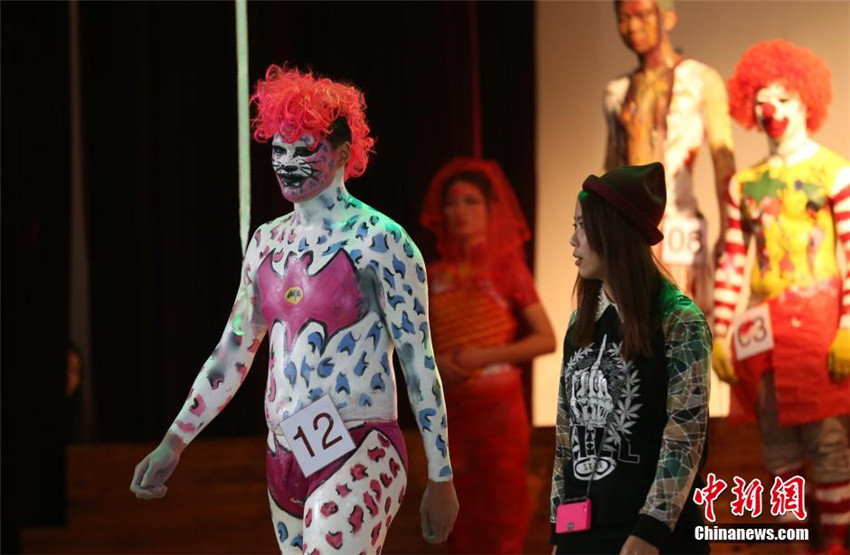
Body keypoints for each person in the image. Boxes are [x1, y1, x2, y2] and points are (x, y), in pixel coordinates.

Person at [130, 66, 459, 554]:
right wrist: (174, 441)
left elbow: (419, 362)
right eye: (278, 151)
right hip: (285, 451)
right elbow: (232, 352)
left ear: (343, 154)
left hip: (361, 441)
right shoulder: (266, 241)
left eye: (304, 150)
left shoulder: (382, 241)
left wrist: (441, 474)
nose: (287, 164)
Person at [713, 39, 850, 552]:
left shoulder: (835, 173)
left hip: (819, 326)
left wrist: (847, 328)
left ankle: (834, 547)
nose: (771, 109)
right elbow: (732, 260)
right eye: (762, 99)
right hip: (764, 329)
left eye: (784, 98)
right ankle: (796, 548)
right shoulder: (744, 185)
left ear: (807, 101)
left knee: (830, 442)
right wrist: (720, 333)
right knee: (778, 446)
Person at [550, 162, 711, 554]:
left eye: (582, 226)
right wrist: (559, 530)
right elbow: (566, 437)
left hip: (653, 536)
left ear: (613, 231)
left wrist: (650, 530)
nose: (572, 239)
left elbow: (685, 436)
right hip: (582, 533)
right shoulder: (581, 322)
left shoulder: (679, 320)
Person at [420, 158, 556, 553]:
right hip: (450, 409)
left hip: (499, 408)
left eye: (471, 201)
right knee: (456, 517)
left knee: (502, 510)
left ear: (489, 210)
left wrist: (481, 356)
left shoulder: (507, 269)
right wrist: (437, 364)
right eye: (451, 203)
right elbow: (412, 343)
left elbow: (546, 339)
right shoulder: (433, 273)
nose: (460, 211)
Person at [604, 0, 736, 313]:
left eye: (642, 16)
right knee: (633, 322)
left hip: (681, 226)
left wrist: (730, 231)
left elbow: (724, 162)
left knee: (683, 319)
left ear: (668, 18)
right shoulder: (616, 92)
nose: (633, 27)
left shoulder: (700, 81)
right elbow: (612, 166)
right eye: (624, 18)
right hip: (630, 233)